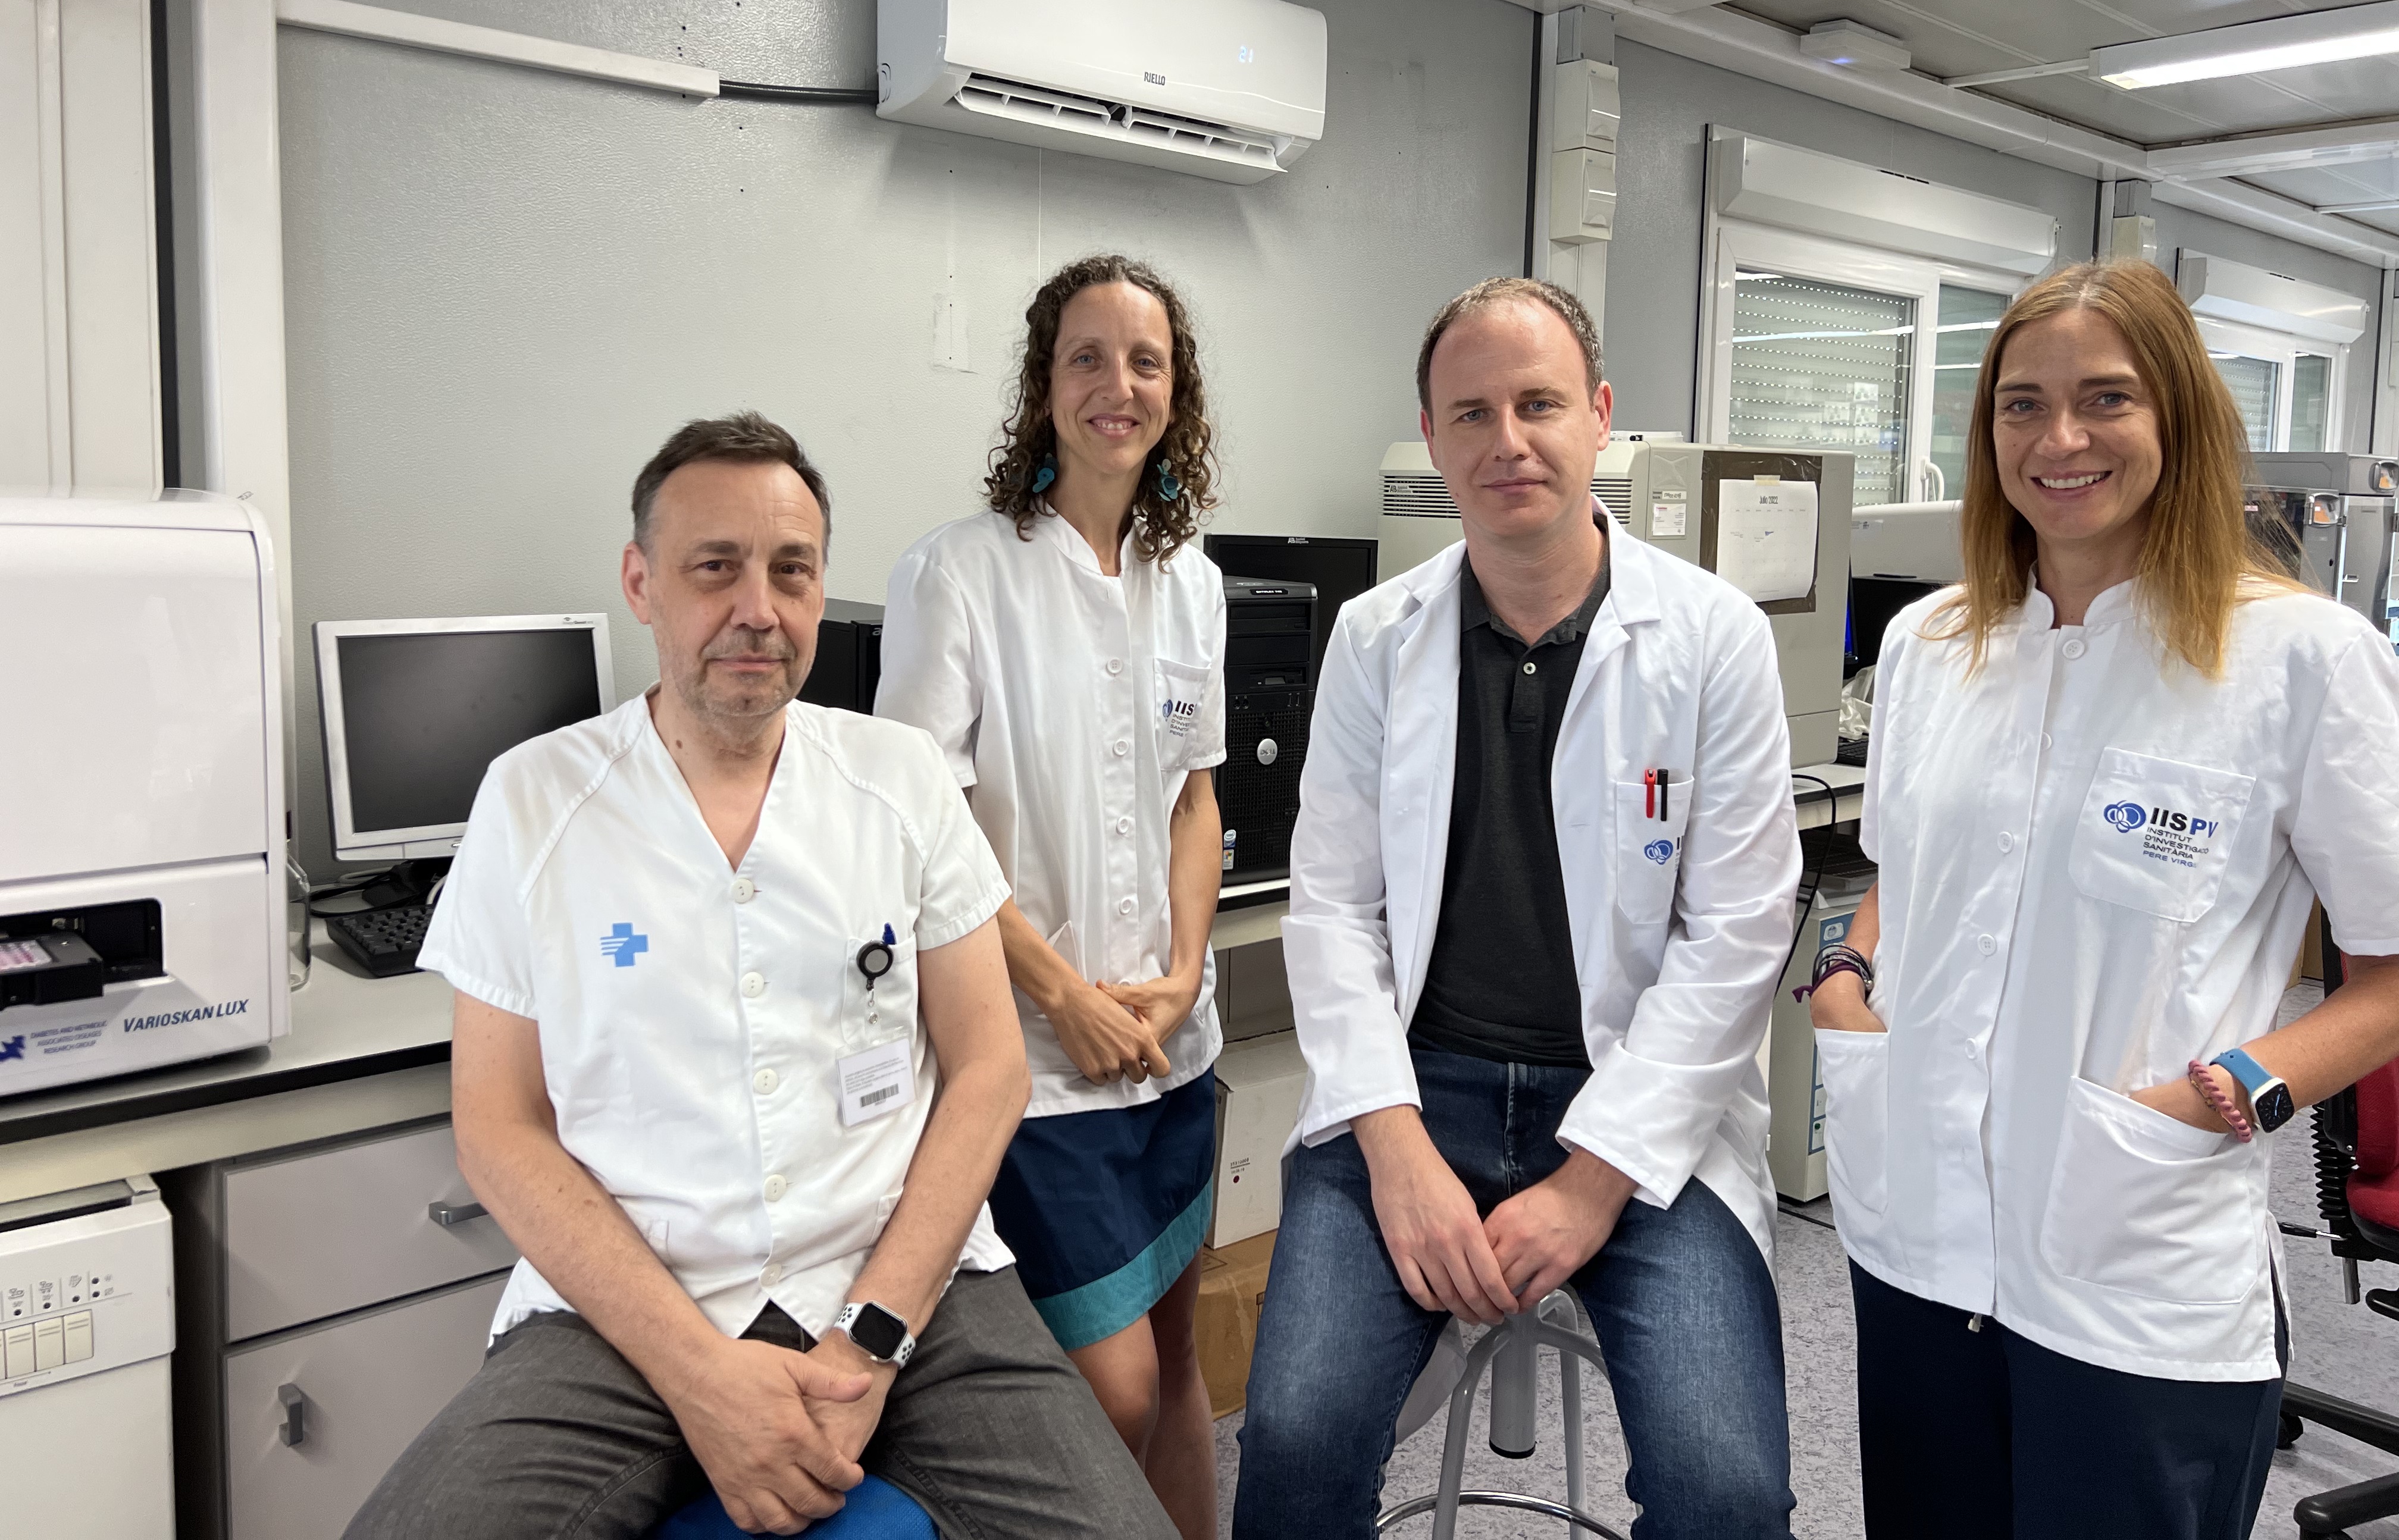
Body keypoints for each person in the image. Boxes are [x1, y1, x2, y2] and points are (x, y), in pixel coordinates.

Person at [347, 413, 1177, 1540]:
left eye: (792, 570)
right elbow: (499, 1127)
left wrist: (872, 1337)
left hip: (903, 1282)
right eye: (714, 568)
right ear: (641, 584)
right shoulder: (535, 802)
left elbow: (990, 1071)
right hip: (629, 1308)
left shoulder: (898, 779)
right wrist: (699, 1376)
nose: (759, 608)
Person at [1808, 259, 2399, 1540]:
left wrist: (2241, 1087)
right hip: (1918, 1230)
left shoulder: (2302, 658)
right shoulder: (1931, 643)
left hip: (2135, 1253)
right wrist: (1844, 985)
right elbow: (1904, 874)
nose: (2060, 439)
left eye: (2107, 399)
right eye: (2022, 404)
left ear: (2179, 417)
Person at [1234, 278, 1800, 1539]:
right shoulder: (1376, 638)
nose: (1509, 441)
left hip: (1639, 1112)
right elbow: (1332, 914)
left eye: (1539, 404)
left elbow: (1739, 937)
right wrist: (1395, 1155)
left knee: (1727, 1494)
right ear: (1431, 439)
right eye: (1471, 413)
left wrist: (1594, 1184)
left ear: (1599, 416)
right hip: (1412, 1091)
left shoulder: (1712, 636)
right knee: (1295, 1441)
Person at [876, 256, 1226, 1540]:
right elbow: (922, 833)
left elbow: (1196, 799)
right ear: (1043, 386)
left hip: (1173, 1048)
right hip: (1037, 1062)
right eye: (1087, 357)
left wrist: (1181, 975)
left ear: (1175, 392)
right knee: (1109, 1390)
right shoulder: (957, 575)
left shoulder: (1192, 581)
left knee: (1179, 1362)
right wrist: (1065, 997)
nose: (1116, 385)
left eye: (1145, 361)